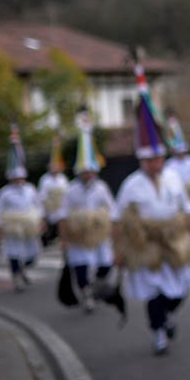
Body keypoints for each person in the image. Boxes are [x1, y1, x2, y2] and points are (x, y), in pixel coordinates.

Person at [113, 62, 190, 356]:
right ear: (142, 160)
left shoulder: (174, 178)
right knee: (153, 290)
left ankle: (167, 315)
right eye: (150, 159)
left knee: (179, 289)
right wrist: (118, 250)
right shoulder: (130, 186)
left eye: (159, 158)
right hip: (147, 245)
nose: (156, 163)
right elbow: (118, 219)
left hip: (173, 241)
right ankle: (158, 334)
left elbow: (186, 209)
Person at [53, 110, 115, 313]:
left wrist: (111, 230)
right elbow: (63, 215)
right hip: (78, 236)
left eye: (91, 171)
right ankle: (86, 294)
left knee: (105, 264)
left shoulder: (102, 187)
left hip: (97, 235)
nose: (88, 174)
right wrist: (64, 238)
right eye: (85, 171)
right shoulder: (71, 189)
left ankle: (96, 284)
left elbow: (111, 210)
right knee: (80, 264)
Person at [0, 123, 44, 292]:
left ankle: (24, 268)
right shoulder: (5, 193)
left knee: (32, 253)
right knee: (14, 252)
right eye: (15, 178)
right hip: (12, 226)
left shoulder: (30, 189)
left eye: (20, 178)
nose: (18, 180)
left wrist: (41, 221)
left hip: (29, 225)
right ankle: (16, 276)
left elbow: (38, 205)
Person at [37, 133, 69, 246]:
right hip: (50, 211)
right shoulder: (44, 180)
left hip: (61, 210)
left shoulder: (63, 179)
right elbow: (42, 197)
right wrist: (43, 216)